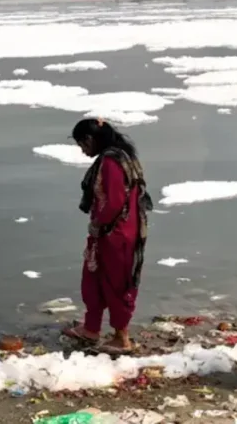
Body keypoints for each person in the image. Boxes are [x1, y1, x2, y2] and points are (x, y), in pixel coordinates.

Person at [61, 118, 151, 354]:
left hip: (117, 234)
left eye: (82, 144)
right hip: (110, 232)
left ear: (90, 140)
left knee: (116, 283)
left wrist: (99, 223)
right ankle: (91, 328)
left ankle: (122, 338)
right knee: (93, 279)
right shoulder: (119, 156)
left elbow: (114, 201)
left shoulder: (111, 162)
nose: (82, 150)